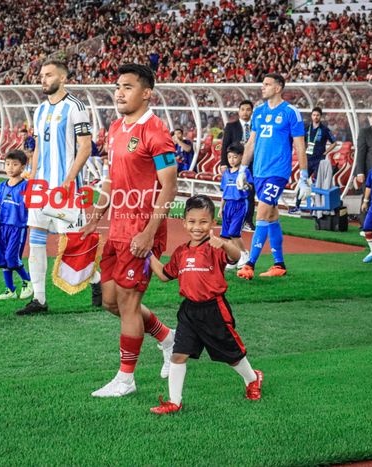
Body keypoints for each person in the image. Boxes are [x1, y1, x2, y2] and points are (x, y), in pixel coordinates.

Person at [81, 63, 177, 397]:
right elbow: (110, 177)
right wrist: (97, 213)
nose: (119, 93)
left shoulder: (156, 131)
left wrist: (150, 232)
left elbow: (169, 188)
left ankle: (126, 379)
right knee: (110, 301)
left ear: (146, 93)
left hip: (142, 229)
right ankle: (167, 337)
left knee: (129, 302)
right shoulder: (115, 128)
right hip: (118, 226)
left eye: (127, 87)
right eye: (117, 87)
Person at [148, 195, 263, 414]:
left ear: (212, 224)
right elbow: (164, 275)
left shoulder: (216, 247)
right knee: (178, 355)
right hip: (189, 312)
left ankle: (252, 379)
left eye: (203, 222)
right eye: (192, 221)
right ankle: (174, 401)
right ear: (184, 223)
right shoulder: (181, 251)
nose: (197, 227)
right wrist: (148, 255)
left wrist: (225, 244)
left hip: (214, 310)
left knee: (232, 355)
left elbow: (236, 256)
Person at [15, 59, 101, 316]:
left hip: (67, 189)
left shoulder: (76, 107)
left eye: (48, 75)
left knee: (74, 243)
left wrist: (68, 180)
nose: (43, 79)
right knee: (37, 240)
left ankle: (97, 282)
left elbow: (85, 147)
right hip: (41, 187)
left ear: (62, 78)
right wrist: (33, 175)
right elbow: (39, 146)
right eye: (41, 75)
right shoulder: (39, 109)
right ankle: (39, 300)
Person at [236, 74, 311, 280]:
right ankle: (279, 265)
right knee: (271, 217)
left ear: (278, 88)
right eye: (263, 84)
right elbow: (251, 143)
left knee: (261, 215)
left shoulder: (290, 112)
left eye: (267, 85)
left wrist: (303, 177)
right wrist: (243, 169)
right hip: (259, 171)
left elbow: (300, 146)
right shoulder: (258, 113)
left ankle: (250, 264)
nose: (263, 88)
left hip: (277, 173)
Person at [0, 150, 33, 300]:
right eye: (7, 164)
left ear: (23, 167)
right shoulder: (1, 187)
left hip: (18, 228)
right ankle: (10, 290)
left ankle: (28, 281)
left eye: (15, 164)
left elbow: (32, 207)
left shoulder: (26, 187)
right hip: (3, 227)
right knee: (3, 259)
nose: (10, 167)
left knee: (12, 258)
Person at [290, 107, 337, 213]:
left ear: (321, 117)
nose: (316, 117)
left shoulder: (324, 129)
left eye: (318, 115)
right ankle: (297, 206)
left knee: (317, 183)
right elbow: (300, 140)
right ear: (311, 116)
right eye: (314, 115)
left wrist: (325, 152)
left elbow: (334, 142)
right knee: (303, 180)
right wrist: (302, 150)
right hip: (307, 159)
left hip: (319, 160)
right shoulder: (307, 128)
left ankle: (316, 207)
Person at [221, 100, 255, 231]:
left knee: (250, 192)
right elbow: (225, 145)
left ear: (251, 112)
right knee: (234, 191)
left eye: (248, 109)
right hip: (235, 164)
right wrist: (224, 163)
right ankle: (234, 218)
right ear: (239, 111)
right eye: (243, 109)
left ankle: (248, 220)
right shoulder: (231, 126)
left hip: (252, 164)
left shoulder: (256, 126)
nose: (245, 112)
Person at [219, 142, 250, 269]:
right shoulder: (226, 173)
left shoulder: (244, 172)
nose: (232, 160)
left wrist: (246, 185)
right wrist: (221, 207)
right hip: (228, 206)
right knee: (227, 235)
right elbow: (224, 192)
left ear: (241, 157)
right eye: (229, 157)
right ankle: (233, 259)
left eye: (235, 157)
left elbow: (249, 188)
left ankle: (244, 253)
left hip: (240, 204)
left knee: (234, 232)